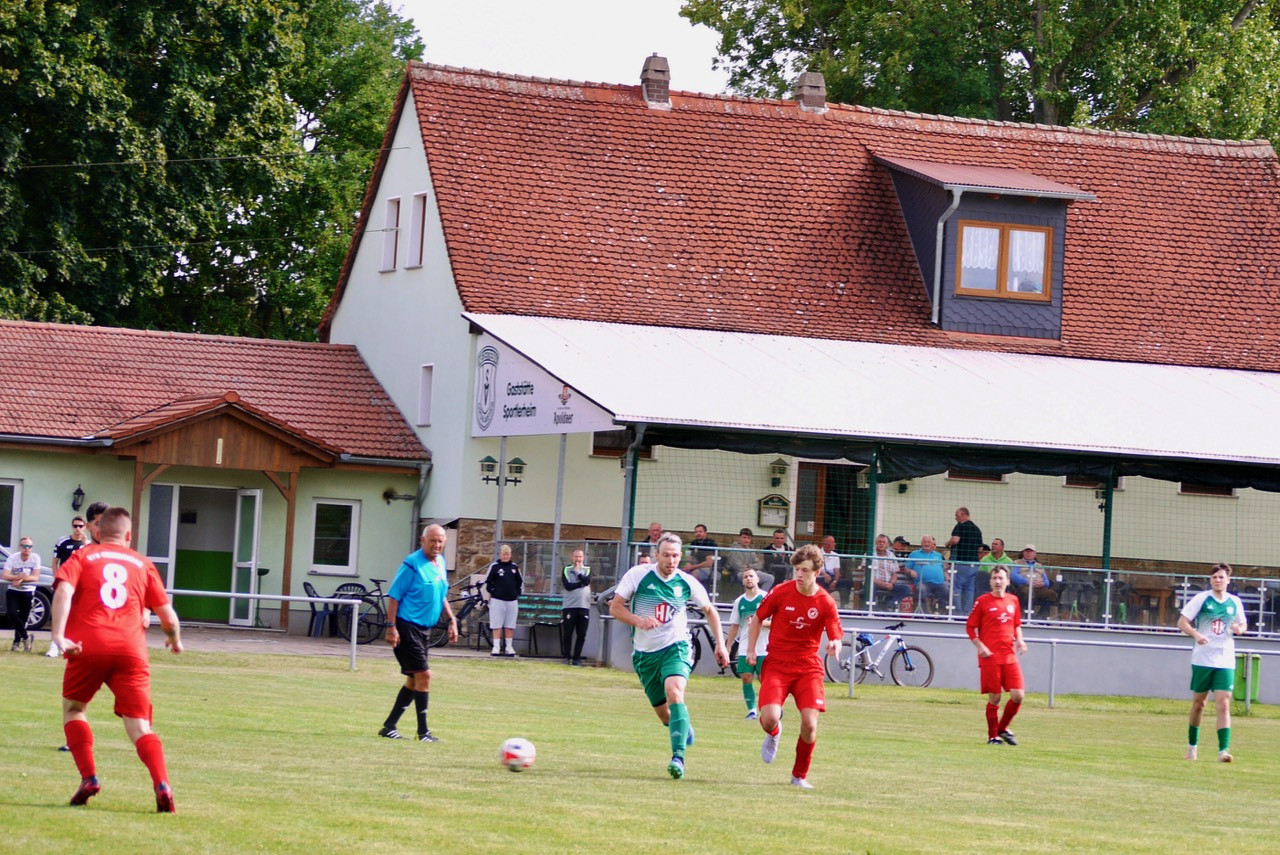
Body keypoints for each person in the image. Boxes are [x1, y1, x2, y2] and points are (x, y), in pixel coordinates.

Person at [49, 507, 182, 811]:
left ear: (97, 532)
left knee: (74, 709)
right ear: (129, 535)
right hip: (131, 650)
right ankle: (162, 784)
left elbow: (63, 592)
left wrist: (58, 635)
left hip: (88, 645)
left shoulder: (82, 556)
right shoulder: (142, 562)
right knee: (140, 726)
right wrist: (174, 641)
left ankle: (89, 778)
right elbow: (168, 617)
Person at [610, 532, 728, 780]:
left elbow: (710, 610)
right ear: (657, 555)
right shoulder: (638, 575)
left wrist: (721, 645)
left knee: (675, 691)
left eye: (675, 555)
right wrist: (639, 621)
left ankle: (678, 758)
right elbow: (615, 607)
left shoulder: (687, 582)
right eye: (666, 555)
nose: (671, 560)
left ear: (681, 556)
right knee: (665, 715)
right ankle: (681, 724)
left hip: (677, 646)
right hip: (644, 655)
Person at [749, 544, 842, 789]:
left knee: (810, 725)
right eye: (796, 570)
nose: (799, 575)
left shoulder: (825, 601)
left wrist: (834, 644)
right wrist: (750, 650)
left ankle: (799, 776)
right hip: (778, 663)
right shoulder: (781, 592)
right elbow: (758, 617)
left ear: (817, 572)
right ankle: (774, 732)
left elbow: (835, 634)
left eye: (804, 570)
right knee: (769, 718)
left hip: (808, 667)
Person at [379, 524, 457, 742]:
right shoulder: (412, 564)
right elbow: (394, 596)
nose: (437, 545)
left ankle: (389, 727)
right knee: (424, 675)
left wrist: (452, 620)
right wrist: (391, 627)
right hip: (406, 627)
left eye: (441, 541)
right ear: (422, 540)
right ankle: (423, 733)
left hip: (424, 630)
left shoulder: (440, 563)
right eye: (433, 540)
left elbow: (441, 595)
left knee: (415, 680)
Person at [1177, 563, 1247, 762]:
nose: (1218, 580)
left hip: (1225, 658)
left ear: (1228, 580)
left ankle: (1223, 751)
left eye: (1221, 577)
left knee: (1224, 703)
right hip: (1203, 658)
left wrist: (1239, 629)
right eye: (1215, 577)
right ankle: (1192, 747)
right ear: (1210, 580)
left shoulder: (1234, 602)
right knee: (1200, 704)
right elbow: (1182, 622)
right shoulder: (1201, 599)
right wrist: (1196, 635)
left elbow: (1243, 624)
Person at [965, 566, 1027, 746]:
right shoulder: (982, 601)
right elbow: (970, 627)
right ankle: (993, 736)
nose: (998, 582)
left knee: (1018, 695)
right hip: (990, 656)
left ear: (1008, 581)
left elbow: (1016, 625)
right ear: (990, 581)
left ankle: (1002, 727)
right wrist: (980, 646)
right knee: (995, 697)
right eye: (994, 578)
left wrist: (1020, 641)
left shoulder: (1013, 600)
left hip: (1009, 655)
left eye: (1001, 578)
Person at [724, 568, 768, 719]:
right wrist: (728, 647)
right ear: (743, 581)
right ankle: (752, 711)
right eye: (746, 577)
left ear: (757, 579)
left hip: (763, 647)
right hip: (744, 646)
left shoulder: (765, 598)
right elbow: (735, 625)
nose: (749, 579)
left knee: (765, 680)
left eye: (751, 576)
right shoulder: (739, 601)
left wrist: (759, 622)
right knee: (746, 677)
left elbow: (775, 622)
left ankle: (768, 709)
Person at [49, 516, 91, 657]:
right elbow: (55, 562)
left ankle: (74, 643)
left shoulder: (88, 544)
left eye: (80, 526)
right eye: (75, 526)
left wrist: (85, 543)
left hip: (80, 585)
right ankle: (54, 645)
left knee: (77, 614)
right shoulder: (62, 541)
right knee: (59, 613)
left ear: (85, 526)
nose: (77, 529)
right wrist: (57, 578)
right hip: (66, 582)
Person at [484, 544, 523, 657]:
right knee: (496, 624)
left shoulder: (515, 567)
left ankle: (509, 646)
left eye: (507, 554)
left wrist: (516, 593)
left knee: (510, 624)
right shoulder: (495, 567)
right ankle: (496, 647)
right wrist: (493, 591)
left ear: (510, 555)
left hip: (511, 600)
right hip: (497, 600)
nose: (506, 556)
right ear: (500, 555)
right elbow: (488, 582)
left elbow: (520, 582)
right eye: (504, 554)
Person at [3, 536, 40, 652]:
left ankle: (16, 643)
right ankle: (26, 637)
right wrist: (18, 577)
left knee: (23, 618)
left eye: (29, 546)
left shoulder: (35, 558)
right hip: (13, 590)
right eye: (24, 546)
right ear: (20, 547)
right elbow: (5, 575)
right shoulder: (13, 558)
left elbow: (35, 577)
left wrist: (22, 580)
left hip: (28, 591)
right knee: (12, 613)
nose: (27, 548)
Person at [946, 507, 983, 615]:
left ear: (963, 514)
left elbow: (955, 540)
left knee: (957, 588)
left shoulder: (960, 526)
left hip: (961, 562)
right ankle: (967, 613)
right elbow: (980, 549)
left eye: (957, 515)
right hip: (974, 564)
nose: (955, 518)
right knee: (970, 589)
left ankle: (957, 612)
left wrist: (947, 543)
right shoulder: (977, 529)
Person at [560, 549, 592, 666]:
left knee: (581, 633)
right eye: (576, 557)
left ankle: (576, 658)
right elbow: (568, 586)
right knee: (568, 632)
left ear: (583, 558)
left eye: (580, 557)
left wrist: (579, 574)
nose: (578, 559)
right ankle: (566, 656)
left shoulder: (587, 569)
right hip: (570, 606)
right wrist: (581, 583)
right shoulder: (567, 569)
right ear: (572, 557)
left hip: (583, 606)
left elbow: (587, 581)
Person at [905, 536, 947, 613]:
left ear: (932, 544)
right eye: (925, 542)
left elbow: (943, 568)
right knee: (921, 590)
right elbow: (906, 569)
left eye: (929, 542)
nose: (926, 544)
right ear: (921, 544)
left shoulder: (938, 555)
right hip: (922, 583)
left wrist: (946, 574)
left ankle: (941, 614)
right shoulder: (914, 554)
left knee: (947, 591)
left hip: (939, 583)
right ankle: (923, 615)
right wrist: (910, 571)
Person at [869, 534, 911, 609]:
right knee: (870, 587)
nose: (881, 544)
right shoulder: (870, 553)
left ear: (887, 544)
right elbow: (867, 573)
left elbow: (895, 573)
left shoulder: (891, 555)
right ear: (876, 543)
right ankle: (872, 608)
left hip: (889, 584)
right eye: (879, 542)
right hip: (874, 583)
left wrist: (891, 584)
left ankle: (889, 605)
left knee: (906, 589)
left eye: (883, 542)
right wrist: (881, 583)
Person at [817, 535, 842, 601]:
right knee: (821, 581)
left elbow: (837, 571)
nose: (835, 544)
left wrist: (835, 581)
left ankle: (844, 605)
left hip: (832, 578)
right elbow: (815, 568)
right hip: (820, 576)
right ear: (826, 544)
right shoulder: (817, 553)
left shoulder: (836, 555)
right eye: (833, 542)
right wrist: (824, 574)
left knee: (846, 583)